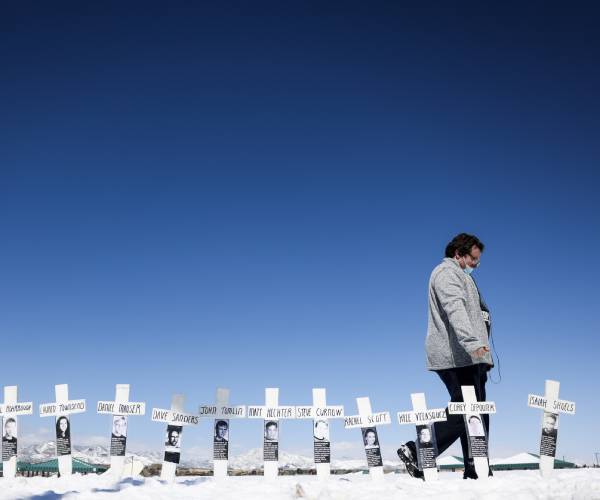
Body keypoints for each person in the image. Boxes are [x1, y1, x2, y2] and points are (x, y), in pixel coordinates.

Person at [398, 233, 493, 480]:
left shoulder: (462, 276)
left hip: (470, 356)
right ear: (458, 254)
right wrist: (473, 343)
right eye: (473, 259)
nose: (476, 265)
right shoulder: (446, 273)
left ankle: (476, 466)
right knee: (467, 410)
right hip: (458, 355)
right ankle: (418, 451)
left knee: (476, 411)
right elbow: (455, 309)